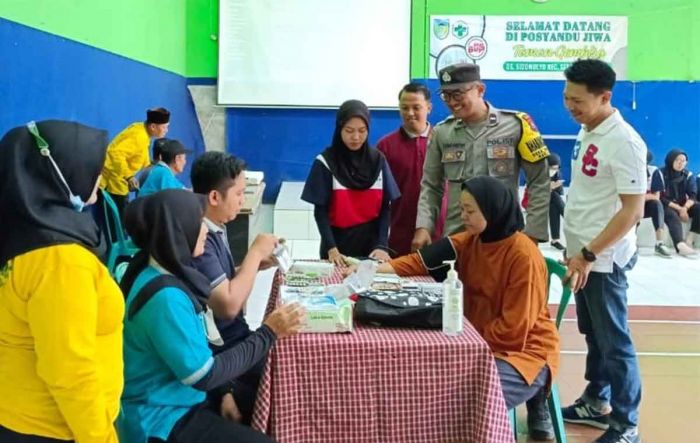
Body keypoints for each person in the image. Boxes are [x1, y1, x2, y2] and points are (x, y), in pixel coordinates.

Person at [373, 176, 559, 441]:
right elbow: (417, 263)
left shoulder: (523, 256)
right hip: (477, 342)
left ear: (493, 209)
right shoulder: (471, 241)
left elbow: (513, 332)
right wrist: (367, 270)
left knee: (461, 401)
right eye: (462, 209)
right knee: (426, 383)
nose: (464, 216)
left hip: (522, 354)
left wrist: (462, 343)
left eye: (470, 211)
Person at [117, 189, 304, 443]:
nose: (205, 230)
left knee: (273, 399)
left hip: (185, 394)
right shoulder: (166, 298)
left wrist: (225, 390)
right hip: (162, 417)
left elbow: (201, 349)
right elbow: (203, 375)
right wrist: (269, 332)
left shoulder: (164, 267)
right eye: (198, 223)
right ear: (178, 231)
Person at [0, 121, 123, 442]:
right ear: (63, 172)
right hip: (55, 428)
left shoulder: (22, 233)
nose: (100, 175)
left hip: (20, 415)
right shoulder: (61, 260)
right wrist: (101, 438)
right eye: (94, 166)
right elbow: (70, 371)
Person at [560, 59, 645, 443]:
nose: (570, 106)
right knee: (593, 334)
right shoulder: (587, 129)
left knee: (615, 342)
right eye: (566, 97)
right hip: (582, 257)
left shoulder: (624, 142)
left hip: (603, 261)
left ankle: (626, 424)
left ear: (605, 97)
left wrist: (589, 254)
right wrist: (574, 250)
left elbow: (632, 212)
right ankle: (597, 401)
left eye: (577, 100)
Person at [413, 63, 550, 251]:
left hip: (505, 239)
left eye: (458, 94)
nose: (452, 102)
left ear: (480, 89)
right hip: (458, 238)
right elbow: (431, 186)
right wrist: (424, 226)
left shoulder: (517, 125)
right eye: (446, 95)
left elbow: (540, 181)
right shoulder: (442, 133)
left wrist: (533, 232)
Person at [190, 151, 279, 423]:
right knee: (285, 367)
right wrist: (253, 254)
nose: (244, 200)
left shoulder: (216, 226)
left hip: (233, 338)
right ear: (215, 197)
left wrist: (253, 266)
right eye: (240, 193)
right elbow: (228, 305)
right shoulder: (199, 240)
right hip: (225, 348)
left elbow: (221, 283)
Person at [301, 99, 400, 266]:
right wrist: (331, 248)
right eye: (349, 131)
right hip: (336, 244)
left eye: (362, 131)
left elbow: (385, 208)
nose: (356, 137)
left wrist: (382, 245)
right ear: (339, 129)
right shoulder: (325, 162)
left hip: (371, 245)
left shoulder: (378, 161)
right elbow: (320, 211)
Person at [377, 82, 447, 255]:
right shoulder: (385, 147)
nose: (410, 113)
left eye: (416, 107)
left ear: (429, 108)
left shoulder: (447, 141)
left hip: (443, 235)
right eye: (404, 108)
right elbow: (379, 199)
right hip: (400, 239)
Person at [100, 107, 170, 217]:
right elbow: (115, 153)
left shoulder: (142, 130)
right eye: (164, 127)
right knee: (119, 221)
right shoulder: (139, 136)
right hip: (113, 182)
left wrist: (150, 165)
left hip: (119, 179)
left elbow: (140, 153)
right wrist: (129, 177)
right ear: (153, 127)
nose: (167, 130)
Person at [657, 149, 699, 257]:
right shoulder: (660, 173)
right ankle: (680, 245)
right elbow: (660, 197)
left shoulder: (688, 175)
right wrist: (679, 209)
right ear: (671, 160)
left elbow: (693, 195)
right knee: (672, 215)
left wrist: (684, 208)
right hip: (666, 205)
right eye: (677, 160)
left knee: (699, 208)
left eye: (683, 161)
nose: (681, 163)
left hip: (683, 205)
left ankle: (690, 239)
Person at [644, 150, 673, 257]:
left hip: (645, 205)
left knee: (657, 204)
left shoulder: (653, 171)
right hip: (628, 205)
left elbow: (655, 196)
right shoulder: (627, 169)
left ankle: (659, 243)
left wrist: (638, 198)